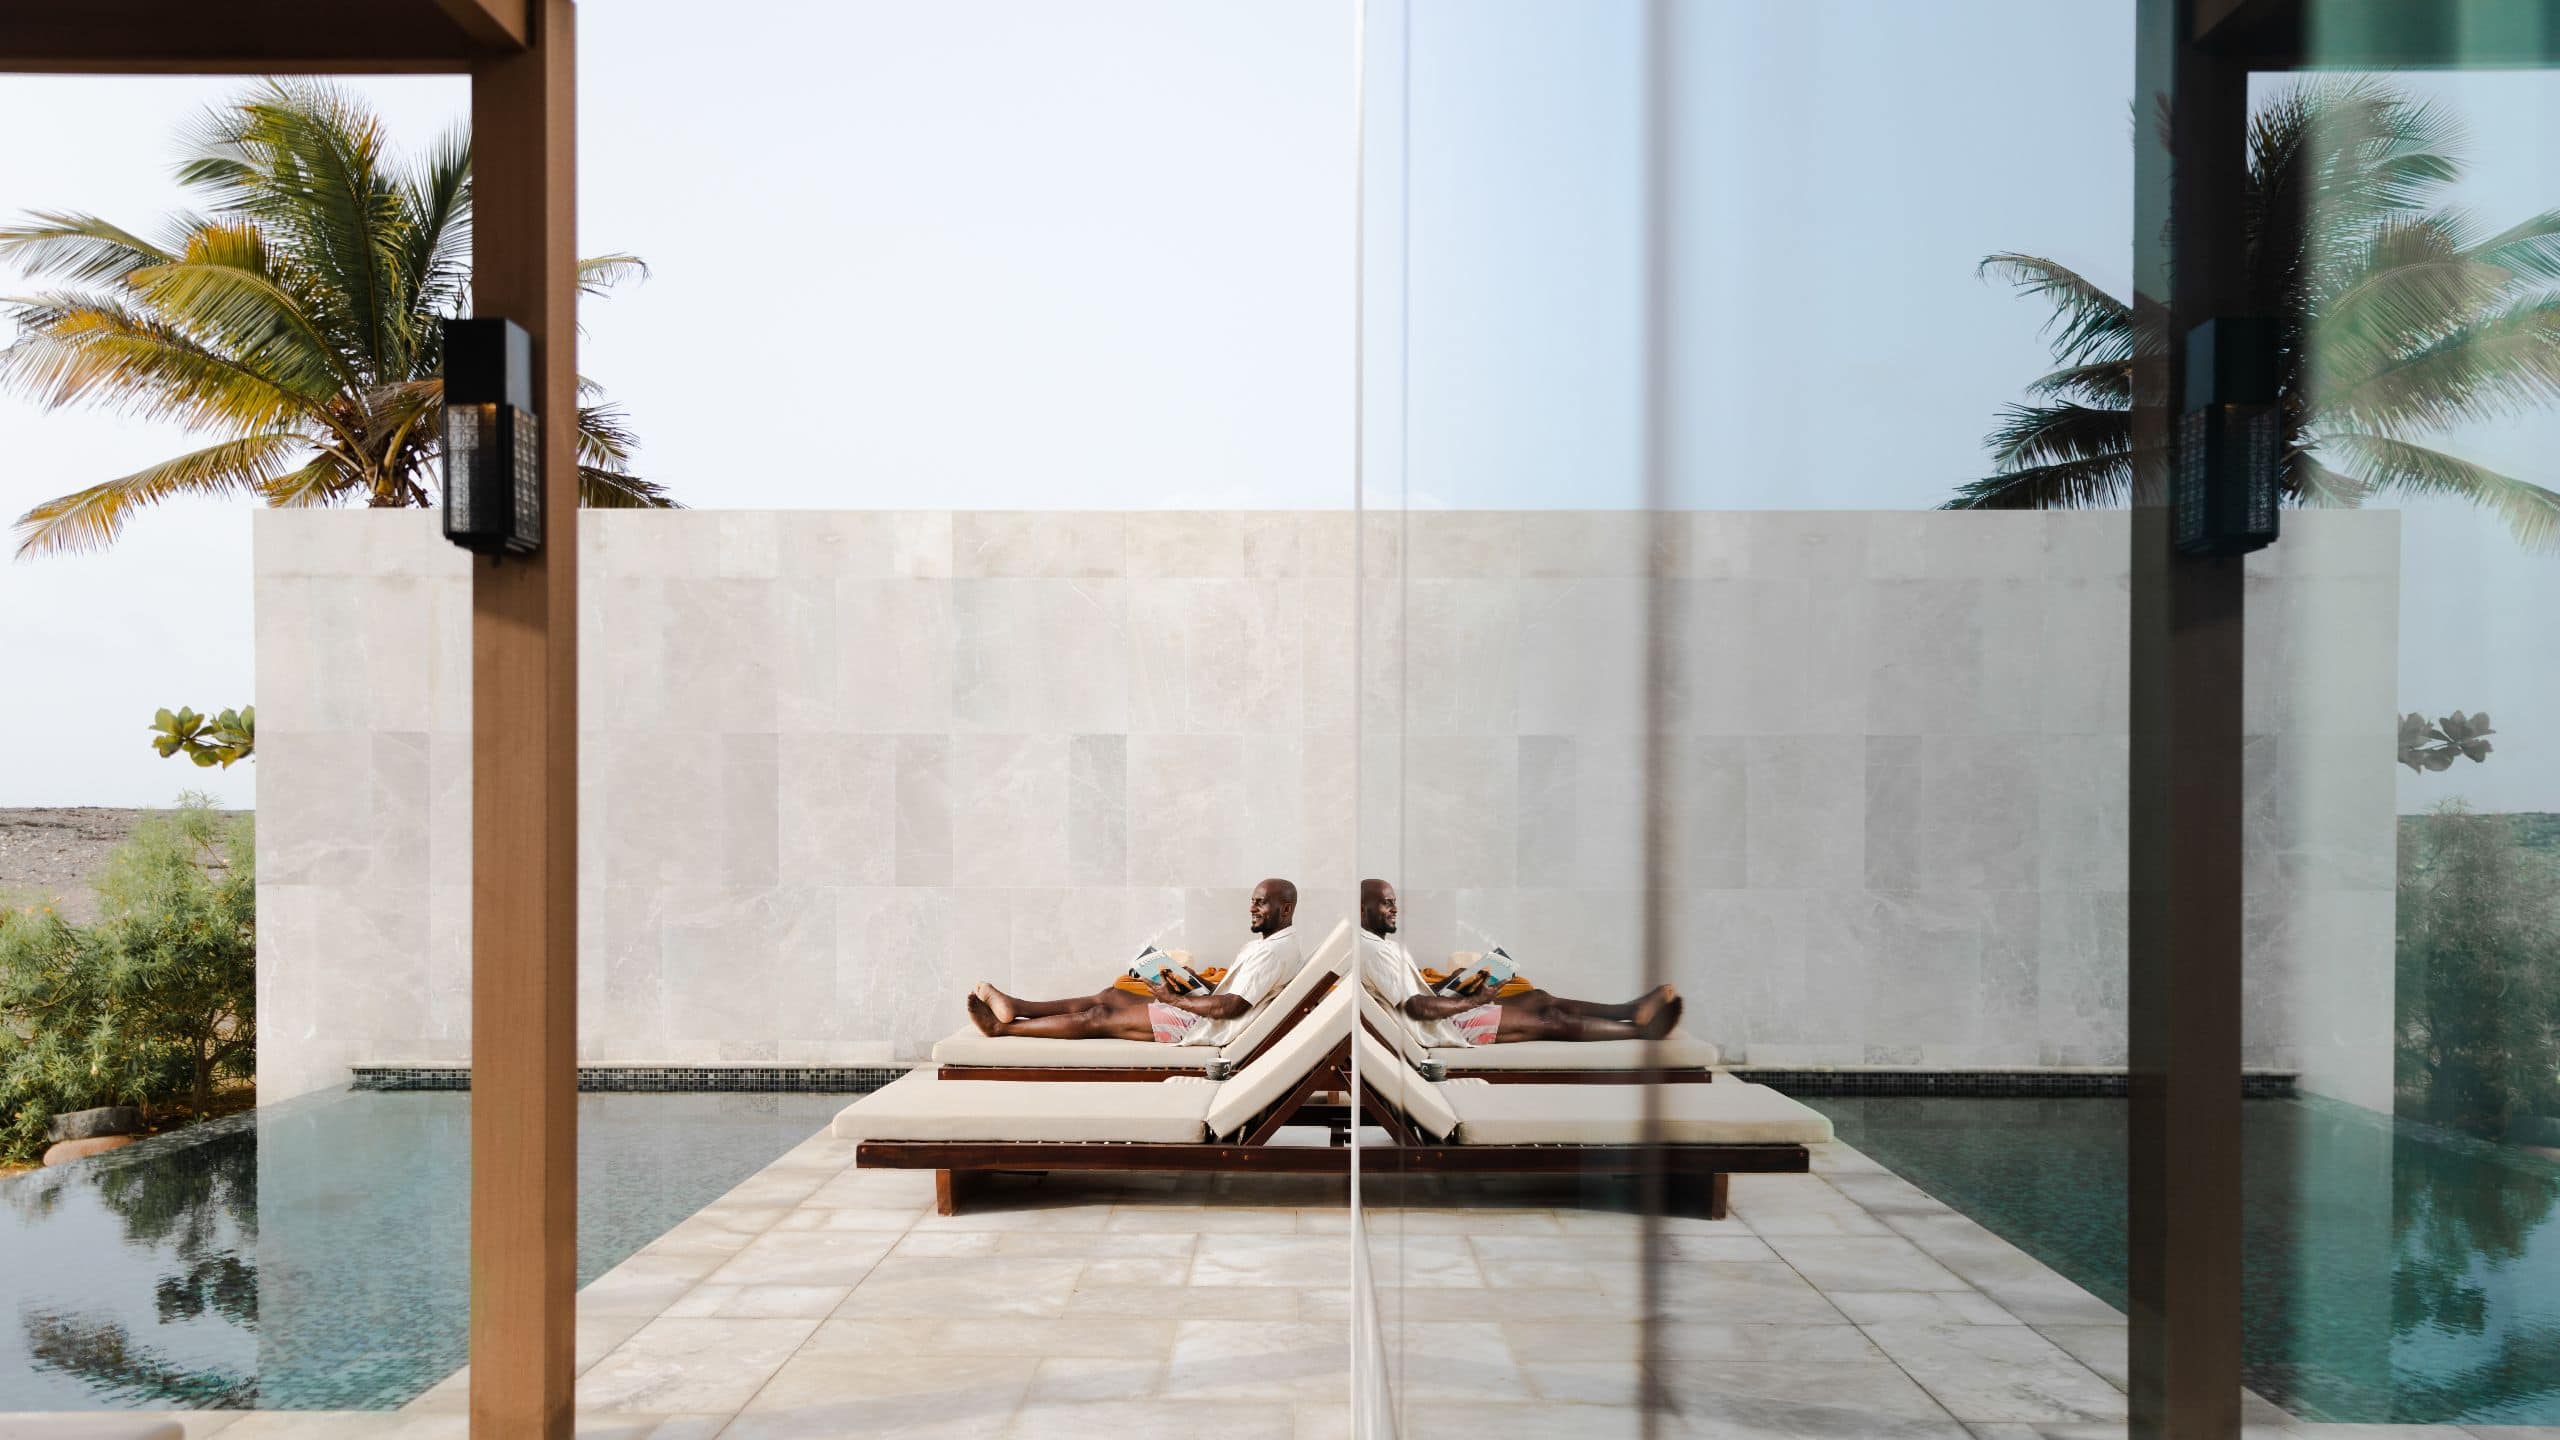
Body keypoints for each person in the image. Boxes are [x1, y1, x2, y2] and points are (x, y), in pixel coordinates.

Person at [967, 878, 1302, 1043]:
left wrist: (1174, 998)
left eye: (1260, 904)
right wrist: (1190, 981)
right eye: (1252, 901)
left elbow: (1231, 1008)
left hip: (1206, 1026)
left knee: (1099, 1016)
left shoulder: (1274, 952)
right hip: (1209, 1011)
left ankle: (1003, 1028)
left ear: (1285, 909)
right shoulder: (1270, 945)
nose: (1252, 908)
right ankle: (1017, 1004)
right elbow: (1233, 991)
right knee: (1110, 995)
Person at [1357, 879, 1680, 1044]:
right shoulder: (1373, 951)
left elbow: (1417, 993)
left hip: (1440, 1012)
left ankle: (1628, 1011)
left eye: (1394, 902)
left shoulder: (1380, 945)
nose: (1394, 909)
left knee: (1539, 998)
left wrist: (1454, 981)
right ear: (1363, 909)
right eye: (1387, 904)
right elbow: (1417, 1009)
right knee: (1549, 1019)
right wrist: (1476, 1001)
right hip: (1443, 1027)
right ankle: (1641, 1032)